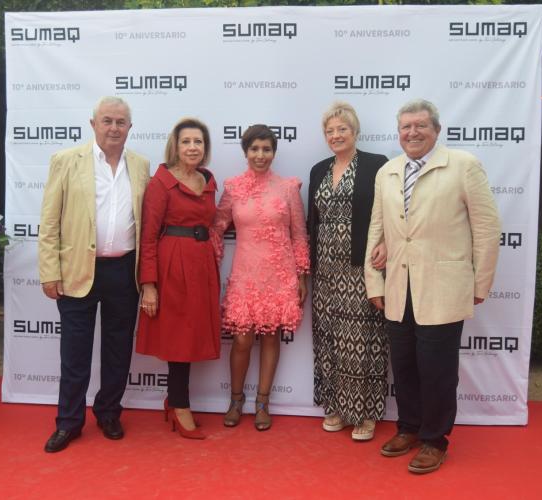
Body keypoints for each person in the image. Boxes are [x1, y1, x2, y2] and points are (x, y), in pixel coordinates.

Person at [365, 98, 501, 474]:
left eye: (420, 125)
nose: (412, 132)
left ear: (436, 130)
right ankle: (409, 427)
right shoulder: (388, 172)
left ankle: (434, 440)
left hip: (444, 286)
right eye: (405, 127)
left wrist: (480, 282)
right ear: (398, 132)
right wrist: (374, 281)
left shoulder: (463, 165)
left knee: (437, 370)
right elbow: (378, 228)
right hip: (399, 286)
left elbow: (487, 228)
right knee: (404, 365)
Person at [39, 96, 150, 453]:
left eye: (120, 122)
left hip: (124, 271)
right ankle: (68, 422)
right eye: (107, 121)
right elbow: (49, 221)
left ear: (129, 128)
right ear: (93, 124)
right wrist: (49, 271)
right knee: (75, 353)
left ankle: (108, 413)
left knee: (118, 349)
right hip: (77, 270)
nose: (114, 128)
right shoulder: (66, 160)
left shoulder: (141, 165)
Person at [212, 124, 310, 431]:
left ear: (274, 152)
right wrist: (205, 259)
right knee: (242, 340)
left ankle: (263, 402)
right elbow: (217, 227)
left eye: (266, 149)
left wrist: (302, 275)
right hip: (245, 275)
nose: (260, 155)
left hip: (280, 275)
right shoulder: (233, 187)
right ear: (245, 152)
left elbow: (299, 234)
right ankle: (236, 400)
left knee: (271, 337)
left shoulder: (288, 188)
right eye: (254, 149)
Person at [307, 102, 390, 442]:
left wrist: (386, 242)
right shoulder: (318, 170)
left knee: (361, 341)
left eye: (342, 129)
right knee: (327, 337)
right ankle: (336, 407)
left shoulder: (376, 165)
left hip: (360, 268)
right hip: (324, 270)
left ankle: (365, 412)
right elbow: (312, 220)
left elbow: (390, 210)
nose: (336, 135)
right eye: (330, 131)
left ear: (355, 132)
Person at [136, 118, 219, 440]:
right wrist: (149, 285)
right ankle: (180, 404)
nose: (192, 147)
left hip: (201, 266)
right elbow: (148, 237)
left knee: (192, 334)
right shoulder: (161, 183)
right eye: (186, 141)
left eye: (198, 142)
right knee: (178, 338)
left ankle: (175, 399)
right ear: (175, 145)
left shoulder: (207, 180)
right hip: (171, 266)